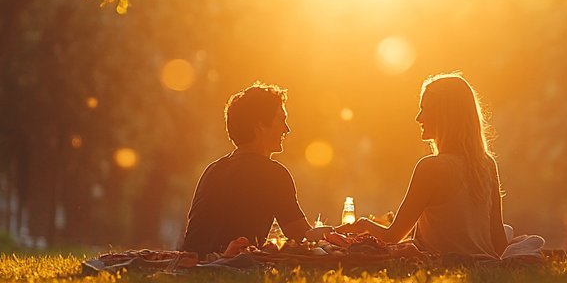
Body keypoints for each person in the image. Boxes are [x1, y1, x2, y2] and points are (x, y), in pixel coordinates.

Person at [337, 73, 508, 257]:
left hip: (445, 268)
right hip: (484, 264)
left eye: (425, 109)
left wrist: (364, 225)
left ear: (443, 115)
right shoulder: (486, 163)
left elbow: (392, 236)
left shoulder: (431, 167)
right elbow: (498, 239)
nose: (418, 118)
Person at [180, 82, 329, 255]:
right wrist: (342, 234)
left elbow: (195, 242)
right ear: (260, 125)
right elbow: (302, 236)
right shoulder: (272, 173)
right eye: (281, 120)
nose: (286, 129)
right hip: (231, 268)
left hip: (195, 265)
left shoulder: (213, 170)